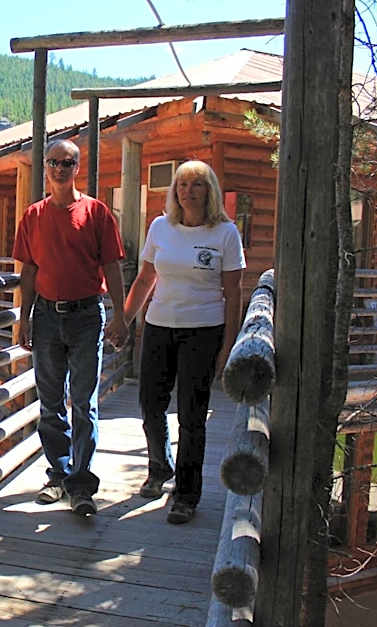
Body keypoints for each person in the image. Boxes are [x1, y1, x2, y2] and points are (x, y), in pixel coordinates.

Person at [123, 160, 245, 524]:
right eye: (182, 185)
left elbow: (234, 292)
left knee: (192, 415)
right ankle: (160, 467)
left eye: (196, 185)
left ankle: (187, 494)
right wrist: (124, 319)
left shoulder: (224, 233)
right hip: (159, 326)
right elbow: (145, 278)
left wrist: (228, 345)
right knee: (150, 404)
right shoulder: (161, 227)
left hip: (203, 330)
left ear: (210, 191)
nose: (188, 191)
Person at [13, 139, 129, 516]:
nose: (59, 169)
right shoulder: (33, 216)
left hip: (85, 317)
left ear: (77, 167)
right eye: (53, 162)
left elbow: (112, 266)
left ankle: (81, 484)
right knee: (49, 402)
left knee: (83, 400)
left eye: (67, 163)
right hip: (46, 317)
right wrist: (24, 317)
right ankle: (58, 475)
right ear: (45, 167)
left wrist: (120, 315)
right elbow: (28, 271)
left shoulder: (96, 213)